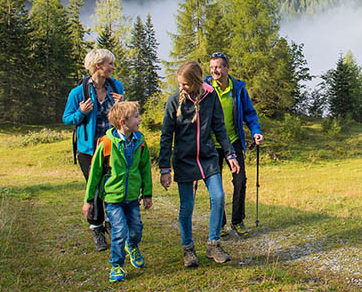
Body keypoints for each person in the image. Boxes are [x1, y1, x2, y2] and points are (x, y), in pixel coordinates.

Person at [159, 61, 240, 268]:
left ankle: (213, 245)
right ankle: (188, 249)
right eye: (180, 84)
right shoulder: (173, 102)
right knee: (186, 207)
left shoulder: (210, 97)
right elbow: (166, 136)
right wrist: (165, 168)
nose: (181, 88)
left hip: (208, 157)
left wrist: (231, 155)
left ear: (195, 83)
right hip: (184, 160)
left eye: (185, 84)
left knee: (219, 197)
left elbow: (219, 128)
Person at [83, 101, 152, 283]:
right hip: (113, 199)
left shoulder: (141, 142)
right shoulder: (106, 144)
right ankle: (117, 265)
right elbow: (95, 174)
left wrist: (147, 194)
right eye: (136, 116)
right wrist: (88, 200)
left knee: (136, 229)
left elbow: (145, 169)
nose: (140, 119)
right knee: (119, 230)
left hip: (132, 198)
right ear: (123, 122)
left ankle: (133, 246)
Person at [63, 48, 124, 251]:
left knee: (112, 187)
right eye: (110, 64)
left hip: (111, 148)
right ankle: (97, 228)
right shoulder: (78, 92)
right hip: (88, 151)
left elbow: (124, 117)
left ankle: (112, 223)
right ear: (98, 66)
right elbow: (67, 119)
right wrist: (81, 112)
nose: (113, 68)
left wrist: (120, 106)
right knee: (96, 188)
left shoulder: (117, 87)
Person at [206, 52, 263, 238]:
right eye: (212, 67)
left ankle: (237, 220)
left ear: (227, 68)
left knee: (240, 181)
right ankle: (221, 224)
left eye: (218, 66)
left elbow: (250, 114)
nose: (215, 70)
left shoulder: (237, 89)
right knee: (216, 185)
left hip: (233, 140)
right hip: (211, 144)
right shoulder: (205, 87)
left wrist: (255, 132)